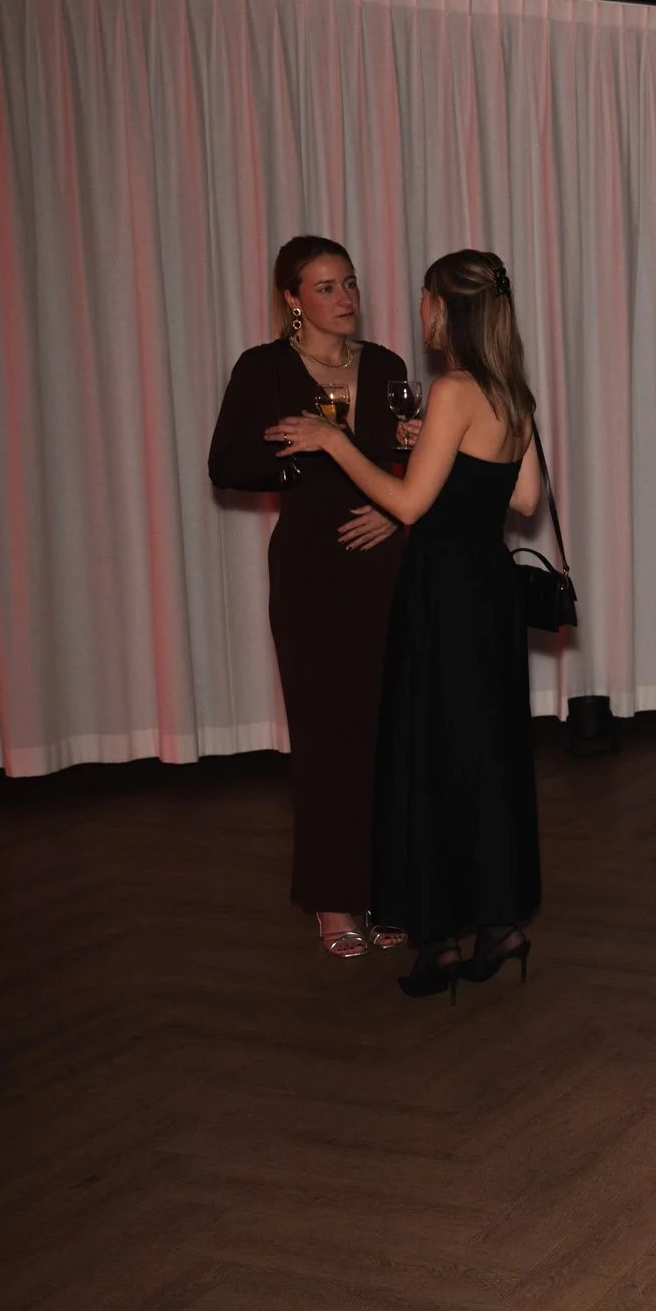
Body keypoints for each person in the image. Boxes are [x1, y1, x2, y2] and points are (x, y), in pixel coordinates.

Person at [273, 249, 544, 1003]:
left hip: (443, 593)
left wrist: (333, 442)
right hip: (491, 591)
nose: (418, 313)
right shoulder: (507, 390)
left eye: (424, 300)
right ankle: (501, 926)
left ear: (442, 307)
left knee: (433, 757)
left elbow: (409, 506)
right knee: (487, 754)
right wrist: (441, 444)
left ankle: (442, 942)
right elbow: (524, 498)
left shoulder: (455, 386)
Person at [207, 235, 411, 959]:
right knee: (325, 733)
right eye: (325, 286)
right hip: (310, 570)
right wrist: (307, 462)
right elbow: (226, 463)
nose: (344, 297)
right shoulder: (263, 369)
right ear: (293, 298)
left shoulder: (385, 365)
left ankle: (392, 884)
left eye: (349, 281)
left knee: (389, 730)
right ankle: (331, 897)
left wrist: (397, 509)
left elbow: (417, 459)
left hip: (388, 560)